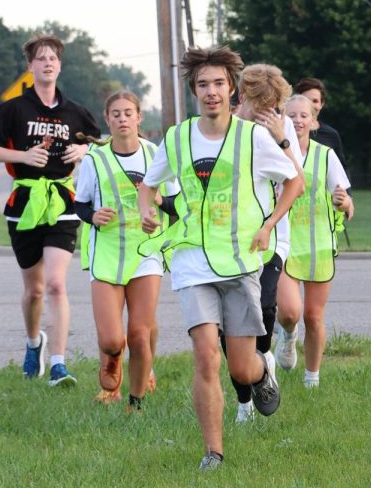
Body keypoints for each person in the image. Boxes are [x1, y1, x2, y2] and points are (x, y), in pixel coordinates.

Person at [138, 46, 303, 471]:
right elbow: (149, 184)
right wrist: (146, 210)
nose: (210, 92)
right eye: (202, 85)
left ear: (232, 89)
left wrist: (268, 226)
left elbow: (295, 183)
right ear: (194, 91)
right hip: (193, 262)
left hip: (242, 262)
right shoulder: (176, 138)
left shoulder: (253, 138)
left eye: (218, 84)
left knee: (243, 367)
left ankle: (261, 374)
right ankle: (213, 451)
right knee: (206, 354)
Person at [0, 34, 101, 387]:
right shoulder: (13, 110)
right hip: (24, 204)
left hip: (62, 202)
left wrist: (85, 153)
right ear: (30, 67)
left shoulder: (75, 112)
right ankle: (35, 343)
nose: (47, 63)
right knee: (34, 290)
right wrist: (22, 156)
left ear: (60, 66)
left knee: (57, 285)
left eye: (53, 58)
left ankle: (60, 364)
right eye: (41, 58)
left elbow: (102, 145)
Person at [73, 90, 176, 410]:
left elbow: (175, 203)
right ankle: (113, 360)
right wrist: (93, 216)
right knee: (111, 339)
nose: (122, 119)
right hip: (107, 251)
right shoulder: (94, 158)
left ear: (139, 117)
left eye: (128, 113)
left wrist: (157, 203)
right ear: (107, 119)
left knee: (140, 333)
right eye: (115, 114)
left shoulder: (156, 155)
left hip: (145, 251)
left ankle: (136, 399)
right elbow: (80, 204)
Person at [227, 63, 303, 420]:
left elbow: (297, 181)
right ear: (244, 98)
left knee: (265, 312)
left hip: (273, 239)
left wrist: (282, 139)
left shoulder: (280, 127)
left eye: (276, 106)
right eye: (263, 105)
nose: (270, 113)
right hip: (227, 243)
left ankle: (264, 366)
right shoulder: (226, 128)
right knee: (229, 331)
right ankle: (244, 401)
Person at [275, 94, 354, 389]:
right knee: (289, 312)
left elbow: (348, 206)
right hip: (283, 245)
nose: (297, 121)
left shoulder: (325, 156)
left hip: (319, 245)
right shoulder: (273, 153)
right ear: (282, 119)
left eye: (303, 116)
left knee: (313, 315)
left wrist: (343, 202)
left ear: (314, 121)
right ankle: (287, 333)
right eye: (290, 115)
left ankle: (312, 379)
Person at [293, 77, 346, 166]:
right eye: (306, 100)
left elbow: (342, 170)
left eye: (315, 101)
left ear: (322, 104)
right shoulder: (284, 132)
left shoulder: (331, 135)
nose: (311, 105)